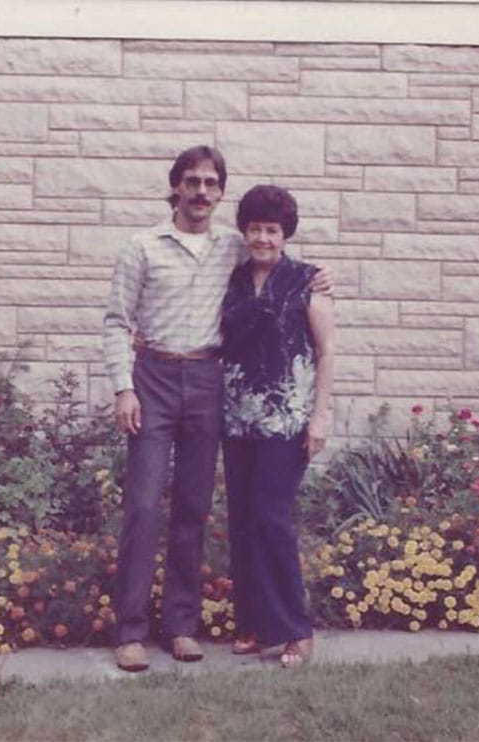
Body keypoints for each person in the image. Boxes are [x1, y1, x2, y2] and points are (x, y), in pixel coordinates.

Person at [102, 147, 329, 673]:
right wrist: (122, 388)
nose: (201, 192)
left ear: (220, 193)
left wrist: (321, 276)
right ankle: (130, 631)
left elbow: (282, 266)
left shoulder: (234, 246)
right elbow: (117, 321)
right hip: (152, 378)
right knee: (141, 504)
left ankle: (181, 626)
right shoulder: (141, 247)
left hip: (208, 381)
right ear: (176, 187)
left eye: (210, 183)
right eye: (192, 182)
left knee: (193, 507)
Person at [219, 184, 334, 669]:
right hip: (237, 419)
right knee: (243, 523)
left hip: (287, 422)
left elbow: (327, 351)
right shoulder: (235, 279)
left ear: (285, 234)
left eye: (272, 229)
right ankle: (256, 626)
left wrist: (321, 415)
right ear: (244, 231)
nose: (263, 237)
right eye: (256, 228)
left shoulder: (308, 281)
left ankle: (295, 631)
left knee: (271, 518)